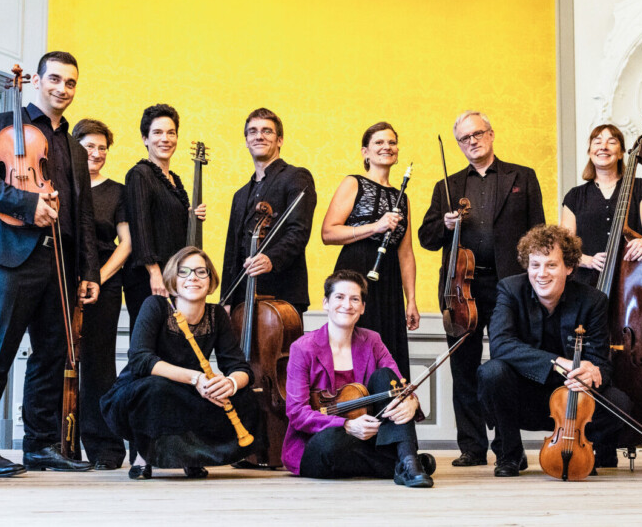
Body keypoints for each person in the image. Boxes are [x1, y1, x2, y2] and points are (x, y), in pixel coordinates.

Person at [0, 51, 99, 475]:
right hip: (9, 254)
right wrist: (24, 203)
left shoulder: (75, 147)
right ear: (36, 80)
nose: (62, 89)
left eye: (70, 82)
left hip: (59, 259)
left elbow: (84, 212)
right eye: (54, 79)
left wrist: (88, 270)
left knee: (52, 354)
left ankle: (40, 444)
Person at [417, 110, 545, 468]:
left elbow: (539, 233)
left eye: (477, 134)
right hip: (462, 288)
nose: (471, 141)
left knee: (507, 364)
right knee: (464, 367)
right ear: (458, 144)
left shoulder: (523, 177)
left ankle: (508, 447)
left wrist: (535, 283)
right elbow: (426, 239)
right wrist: (443, 224)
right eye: (464, 138)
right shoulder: (448, 186)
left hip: (511, 286)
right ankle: (472, 447)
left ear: (491, 134)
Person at [477, 224, 629, 477]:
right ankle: (510, 453)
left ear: (569, 267)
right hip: (523, 398)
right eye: (535, 265)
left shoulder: (593, 301)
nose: (541, 274)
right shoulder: (510, 290)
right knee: (491, 373)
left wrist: (592, 374)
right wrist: (562, 362)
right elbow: (501, 345)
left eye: (551, 265)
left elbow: (600, 361)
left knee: (619, 403)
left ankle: (580, 449)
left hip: (571, 402)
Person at [100, 247, 260, 479]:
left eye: (200, 272)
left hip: (190, 389)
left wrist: (230, 384)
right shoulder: (155, 306)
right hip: (141, 390)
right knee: (157, 389)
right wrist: (196, 378)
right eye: (183, 272)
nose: (192, 277)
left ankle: (193, 455)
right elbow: (141, 360)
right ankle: (143, 457)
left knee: (245, 395)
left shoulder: (217, 315)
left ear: (210, 278)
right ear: (173, 280)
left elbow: (240, 368)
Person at [283, 270, 435, 488]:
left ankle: (408, 462)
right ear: (326, 303)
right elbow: (297, 413)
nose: (347, 305)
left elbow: (399, 385)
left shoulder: (372, 340)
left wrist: (412, 402)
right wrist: (346, 424)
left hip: (366, 438)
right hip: (319, 442)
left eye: (355, 299)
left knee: (385, 378)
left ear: (363, 307)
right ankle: (401, 463)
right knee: (330, 443)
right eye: (339, 297)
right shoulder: (302, 348)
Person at [321, 122, 420, 376]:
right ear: (365, 152)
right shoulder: (353, 183)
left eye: (391, 142)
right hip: (355, 274)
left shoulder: (403, 197)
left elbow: (406, 253)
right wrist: (374, 227)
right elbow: (328, 232)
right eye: (379, 142)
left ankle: (386, 410)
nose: (386, 147)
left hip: (389, 280)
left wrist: (411, 301)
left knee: (387, 349)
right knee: (355, 345)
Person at [71, 118, 132, 470]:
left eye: (102, 148)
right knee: (54, 361)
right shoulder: (62, 186)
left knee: (98, 364)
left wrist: (97, 278)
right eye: (88, 146)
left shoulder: (118, 191)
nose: (96, 153)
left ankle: (105, 449)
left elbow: (126, 244)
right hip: (63, 281)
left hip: (104, 286)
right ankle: (58, 446)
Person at [220, 108, 317, 317]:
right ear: (246, 140)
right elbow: (232, 249)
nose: (259, 136)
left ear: (280, 140)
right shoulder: (240, 194)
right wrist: (226, 298)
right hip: (243, 295)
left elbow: (299, 231)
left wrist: (271, 258)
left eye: (267, 131)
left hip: (282, 292)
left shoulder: (296, 177)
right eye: (253, 131)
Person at [122, 104, 206, 331]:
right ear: (145, 139)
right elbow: (140, 227)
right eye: (157, 133)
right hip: (148, 279)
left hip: (172, 277)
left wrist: (191, 218)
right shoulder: (140, 174)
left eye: (171, 133)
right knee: (147, 347)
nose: (165, 139)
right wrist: (155, 274)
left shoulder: (175, 181)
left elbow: (169, 227)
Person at [560, 124, 642, 287]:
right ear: (590, 151)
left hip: (632, 279)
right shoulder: (574, 196)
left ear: (621, 153)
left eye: (611, 142)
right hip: (585, 284)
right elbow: (566, 246)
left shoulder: (641, 188)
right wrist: (589, 261)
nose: (603, 147)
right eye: (597, 142)